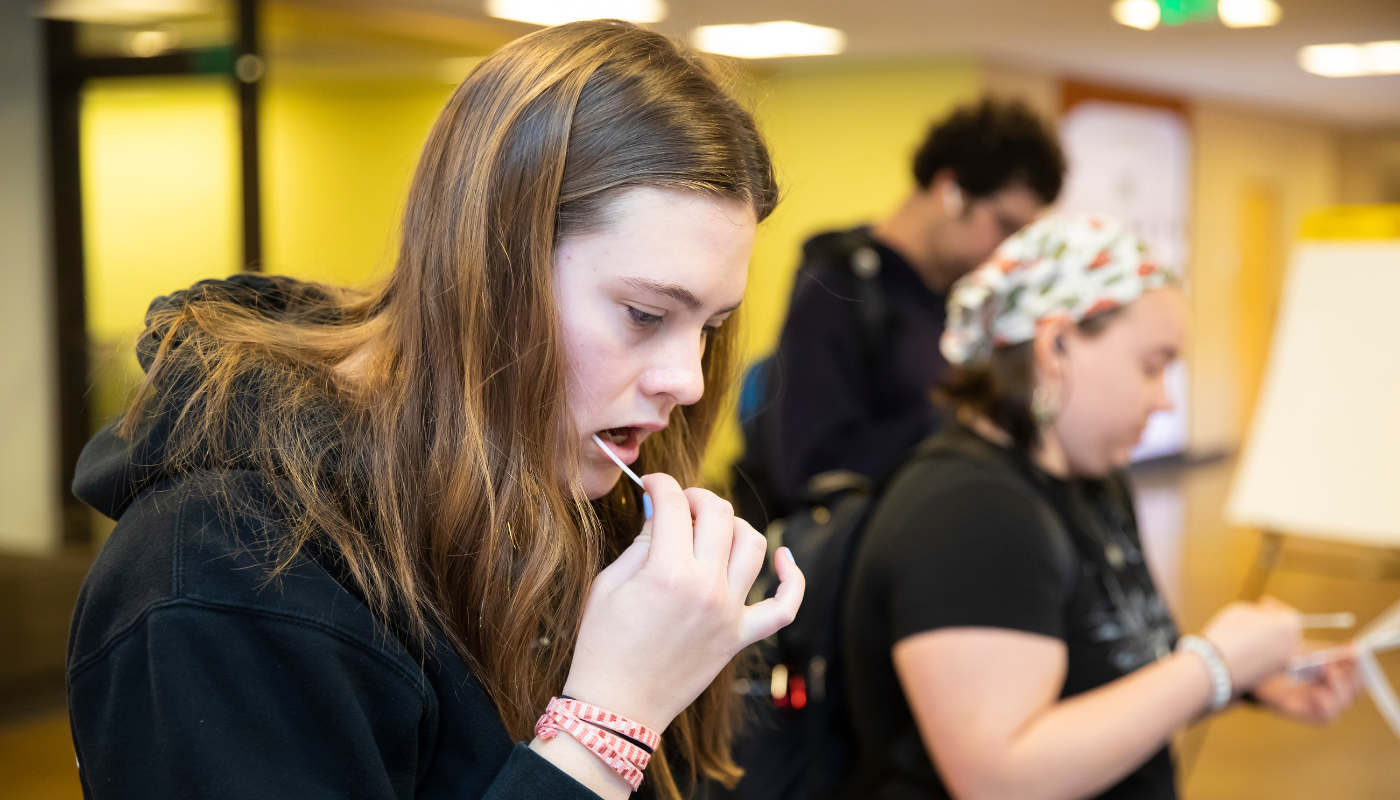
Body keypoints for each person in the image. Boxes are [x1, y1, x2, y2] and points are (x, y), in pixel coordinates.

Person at [66, 21, 804, 800]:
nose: (688, 381)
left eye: (712, 327)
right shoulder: (218, 568)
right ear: (487, 266)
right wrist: (606, 725)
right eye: (646, 315)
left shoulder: (551, 502)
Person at [840, 214, 1360, 800]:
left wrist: (1246, 677)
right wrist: (1211, 667)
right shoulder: (970, 512)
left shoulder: (1094, 482)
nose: (1164, 399)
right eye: (1152, 364)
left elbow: (1110, 676)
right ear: (1056, 345)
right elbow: (998, 778)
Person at [734, 98, 1067, 524]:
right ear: (952, 192)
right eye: (1005, 226)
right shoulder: (837, 287)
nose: (1010, 251)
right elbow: (808, 466)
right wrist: (962, 419)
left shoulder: (964, 295)